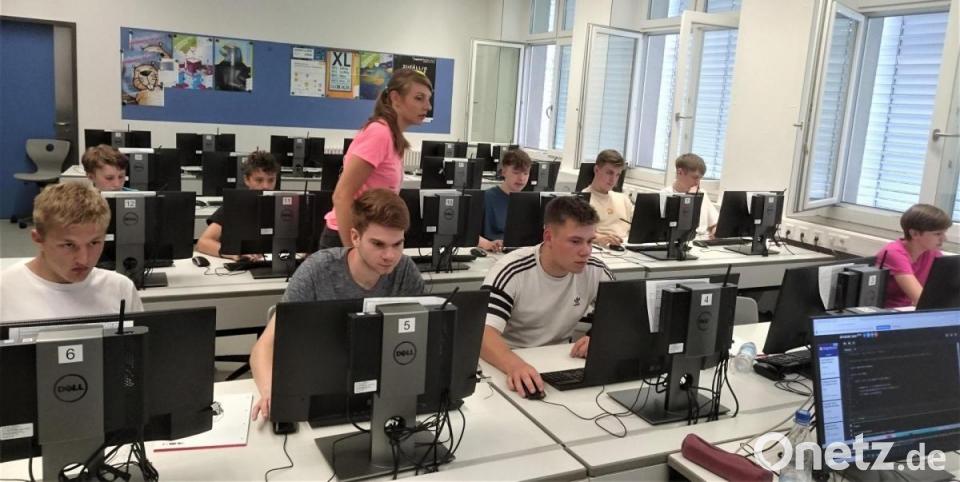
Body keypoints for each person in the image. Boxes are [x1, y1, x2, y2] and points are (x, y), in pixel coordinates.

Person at [250, 189, 425, 420]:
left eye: (397, 244)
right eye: (378, 244)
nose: (390, 255)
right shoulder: (317, 270)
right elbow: (264, 347)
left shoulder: (405, 271)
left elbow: (425, 339)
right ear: (355, 237)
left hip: (384, 388)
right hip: (318, 388)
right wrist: (270, 391)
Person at [480, 196, 614, 397]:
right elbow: (483, 334)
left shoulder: (596, 271)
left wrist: (598, 339)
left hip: (562, 360)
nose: (586, 251)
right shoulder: (511, 270)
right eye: (575, 241)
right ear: (549, 237)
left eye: (590, 241)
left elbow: (621, 320)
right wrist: (515, 365)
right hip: (507, 361)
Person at [321, 68, 433, 249]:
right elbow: (341, 196)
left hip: (369, 237)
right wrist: (352, 252)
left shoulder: (392, 136)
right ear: (396, 98)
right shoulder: (379, 133)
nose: (428, 106)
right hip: (348, 237)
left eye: (428, 99)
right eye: (419, 98)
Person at [1, 183, 143, 322]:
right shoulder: (5, 290)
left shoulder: (121, 289)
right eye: (69, 245)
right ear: (38, 239)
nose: (83, 260)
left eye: (94, 243)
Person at [195, 150, 279, 259]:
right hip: (245, 265)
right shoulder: (235, 205)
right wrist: (234, 253)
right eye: (259, 180)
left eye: (271, 180)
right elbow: (203, 242)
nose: (266, 186)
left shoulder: (285, 206)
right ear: (246, 180)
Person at [876, 203, 952, 308]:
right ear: (914, 234)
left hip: (911, 310)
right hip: (889, 312)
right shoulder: (894, 253)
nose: (944, 239)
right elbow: (920, 300)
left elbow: (946, 287)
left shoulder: (932, 252)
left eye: (944, 233)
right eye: (938, 234)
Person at [479, 148, 532, 252]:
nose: (521, 178)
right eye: (516, 173)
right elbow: (469, 233)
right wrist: (487, 244)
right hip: (493, 253)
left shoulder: (530, 202)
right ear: (504, 172)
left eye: (525, 173)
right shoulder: (486, 198)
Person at [582, 149, 634, 247]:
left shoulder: (623, 199)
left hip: (626, 247)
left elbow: (640, 227)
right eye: (609, 173)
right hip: (600, 248)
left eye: (617, 175)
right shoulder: (583, 200)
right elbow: (579, 233)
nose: (613, 179)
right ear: (596, 170)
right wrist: (599, 238)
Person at [660, 153, 719, 238]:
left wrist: (715, 230)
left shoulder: (701, 194)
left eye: (700, 178)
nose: (697, 183)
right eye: (695, 177)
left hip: (701, 242)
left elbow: (714, 224)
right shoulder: (664, 195)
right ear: (680, 172)